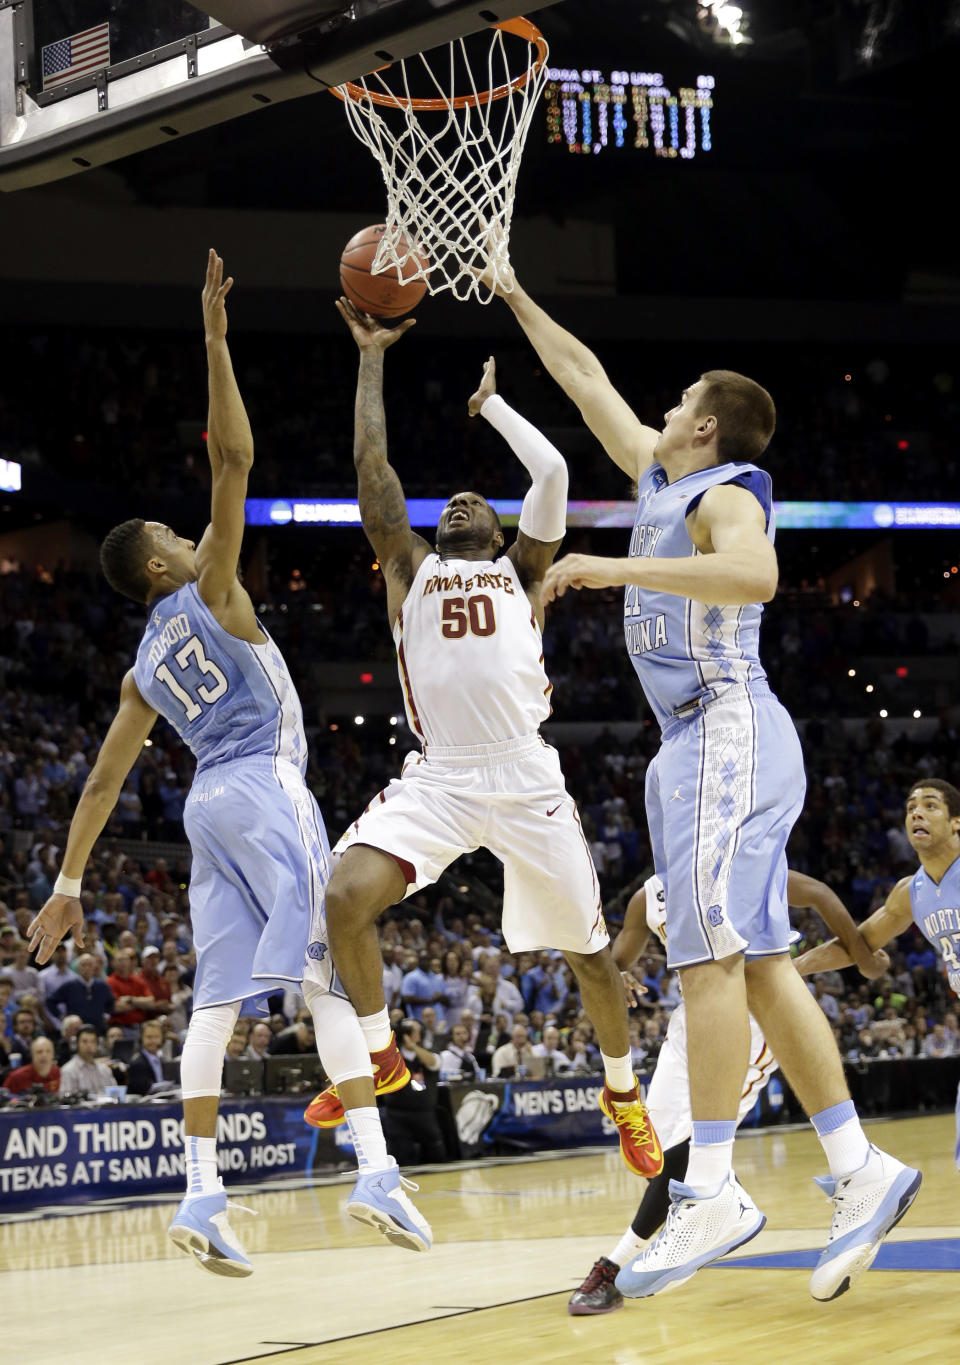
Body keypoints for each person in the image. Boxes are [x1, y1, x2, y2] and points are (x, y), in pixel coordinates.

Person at [494, 271, 920, 1300]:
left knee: (709, 962)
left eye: (682, 399)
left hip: (725, 726)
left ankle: (714, 1188)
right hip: (703, 740)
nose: (666, 408)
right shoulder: (658, 474)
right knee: (762, 963)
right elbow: (584, 376)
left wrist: (609, 570)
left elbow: (759, 577)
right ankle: (860, 1169)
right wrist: (510, 289)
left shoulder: (725, 494)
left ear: (708, 426)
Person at [26, 250, 430, 1275]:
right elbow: (235, 461)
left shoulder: (139, 668)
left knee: (215, 1002)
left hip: (208, 802)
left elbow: (110, 782)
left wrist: (70, 881)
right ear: (163, 565)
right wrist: (212, 337)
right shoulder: (209, 589)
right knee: (333, 967)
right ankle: (376, 1172)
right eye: (171, 532)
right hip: (259, 784)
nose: (184, 529)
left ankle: (201, 1194)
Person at [309, 300, 662, 1181]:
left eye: (477, 501)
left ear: (503, 535)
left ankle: (623, 1093)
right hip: (441, 778)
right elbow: (372, 467)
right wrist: (371, 358)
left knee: (590, 957)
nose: (461, 500)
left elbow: (551, 469)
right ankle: (383, 1053)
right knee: (344, 895)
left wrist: (494, 409)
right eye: (451, 501)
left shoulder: (523, 572)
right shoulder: (408, 568)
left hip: (526, 775)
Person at [569, 868, 890, 1313]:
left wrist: (862, 955)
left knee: (690, 1151)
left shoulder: (733, 860)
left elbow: (818, 893)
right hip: (693, 1018)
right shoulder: (649, 897)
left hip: (754, 1017)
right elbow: (620, 956)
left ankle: (615, 1264)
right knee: (655, 1149)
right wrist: (616, 973)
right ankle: (722, 1193)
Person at [796, 779, 960, 1175]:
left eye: (930, 806)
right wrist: (790, 968)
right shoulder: (911, 892)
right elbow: (857, 945)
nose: (916, 813)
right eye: (910, 808)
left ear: (957, 823)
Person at [59, 1025, 115, 1097]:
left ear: (97, 1045)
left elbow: (115, 1095)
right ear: (77, 1044)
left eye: (93, 1042)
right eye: (84, 1041)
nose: (89, 1045)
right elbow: (65, 1100)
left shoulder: (105, 1070)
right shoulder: (68, 1071)